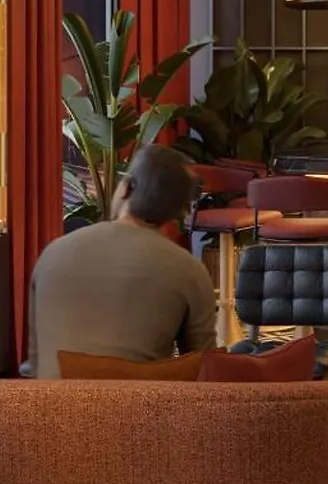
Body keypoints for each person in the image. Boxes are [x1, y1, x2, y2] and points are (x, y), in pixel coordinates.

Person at [29, 144, 217, 378]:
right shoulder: (188, 270)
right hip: (137, 402)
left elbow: (34, 365)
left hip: (49, 400)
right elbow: (206, 369)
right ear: (179, 211)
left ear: (128, 188)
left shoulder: (52, 253)